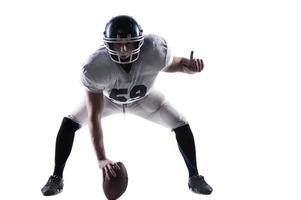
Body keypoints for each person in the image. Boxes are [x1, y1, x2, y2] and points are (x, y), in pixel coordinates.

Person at [41, 15, 213, 196]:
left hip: (144, 98)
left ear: (139, 41)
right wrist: (101, 158)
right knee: (69, 123)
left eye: (129, 43)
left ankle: (195, 177)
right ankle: (56, 177)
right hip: (109, 100)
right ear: (108, 44)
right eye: (117, 44)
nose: (123, 49)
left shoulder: (155, 50)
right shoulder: (95, 67)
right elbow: (94, 117)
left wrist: (189, 67)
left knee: (180, 122)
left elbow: (176, 64)